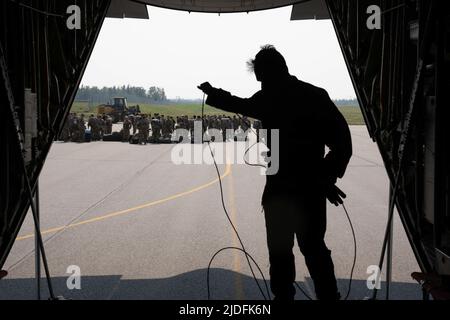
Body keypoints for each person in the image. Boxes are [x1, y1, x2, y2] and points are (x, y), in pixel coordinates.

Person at [198, 45, 352, 300]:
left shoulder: (270, 97)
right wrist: (325, 176)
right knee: (313, 249)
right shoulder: (313, 95)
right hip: (307, 189)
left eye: (260, 76)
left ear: (271, 73)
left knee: (283, 253)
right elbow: (342, 143)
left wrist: (213, 94)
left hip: (283, 189)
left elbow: (240, 104)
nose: (258, 82)